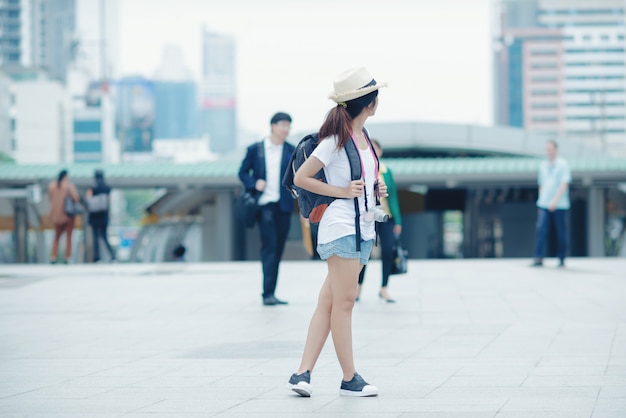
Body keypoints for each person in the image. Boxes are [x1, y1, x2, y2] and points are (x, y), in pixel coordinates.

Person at [288, 67, 388, 397]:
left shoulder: (364, 141)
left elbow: (362, 180)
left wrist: (377, 188)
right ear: (369, 103)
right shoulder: (335, 140)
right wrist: (342, 192)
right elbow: (302, 177)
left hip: (363, 226)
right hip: (341, 225)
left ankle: (302, 374)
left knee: (329, 302)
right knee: (344, 302)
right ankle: (349, 378)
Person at [238, 112, 296, 306]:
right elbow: (243, 172)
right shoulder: (256, 149)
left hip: (284, 207)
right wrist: (254, 183)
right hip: (264, 207)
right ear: (273, 126)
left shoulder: (291, 150)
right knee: (270, 248)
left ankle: (271, 292)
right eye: (283, 125)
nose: (286, 129)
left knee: (278, 250)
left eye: (288, 125)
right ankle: (267, 294)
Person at [357, 139, 402, 303]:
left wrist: (398, 221)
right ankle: (358, 288)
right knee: (365, 252)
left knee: (389, 251)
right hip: (368, 216)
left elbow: (394, 197)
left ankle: (384, 288)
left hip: (385, 217)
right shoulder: (362, 169)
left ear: (381, 152)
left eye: (376, 148)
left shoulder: (386, 171)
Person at [532, 139, 571, 267]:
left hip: (560, 205)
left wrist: (554, 201)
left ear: (555, 149)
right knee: (541, 230)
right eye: (546, 149)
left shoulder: (563, 164)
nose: (548, 151)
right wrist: (541, 201)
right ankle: (538, 257)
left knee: (561, 231)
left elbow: (564, 183)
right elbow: (541, 184)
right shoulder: (543, 165)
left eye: (550, 149)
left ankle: (561, 258)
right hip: (544, 204)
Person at [48, 169, 79, 264]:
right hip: (67, 216)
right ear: (65, 176)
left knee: (56, 238)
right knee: (68, 238)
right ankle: (67, 257)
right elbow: (76, 199)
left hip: (57, 216)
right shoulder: (69, 186)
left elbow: (50, 199)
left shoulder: (52, 187)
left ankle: (53, 257)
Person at [86, 170, 116, 262]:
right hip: (104, 216)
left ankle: (97, 258)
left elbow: (88, 200)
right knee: (105, 237)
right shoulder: (107, 188)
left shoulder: (92, 187)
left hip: (94, 217)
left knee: (96, 238)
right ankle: (113, 256)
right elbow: (109, 202)